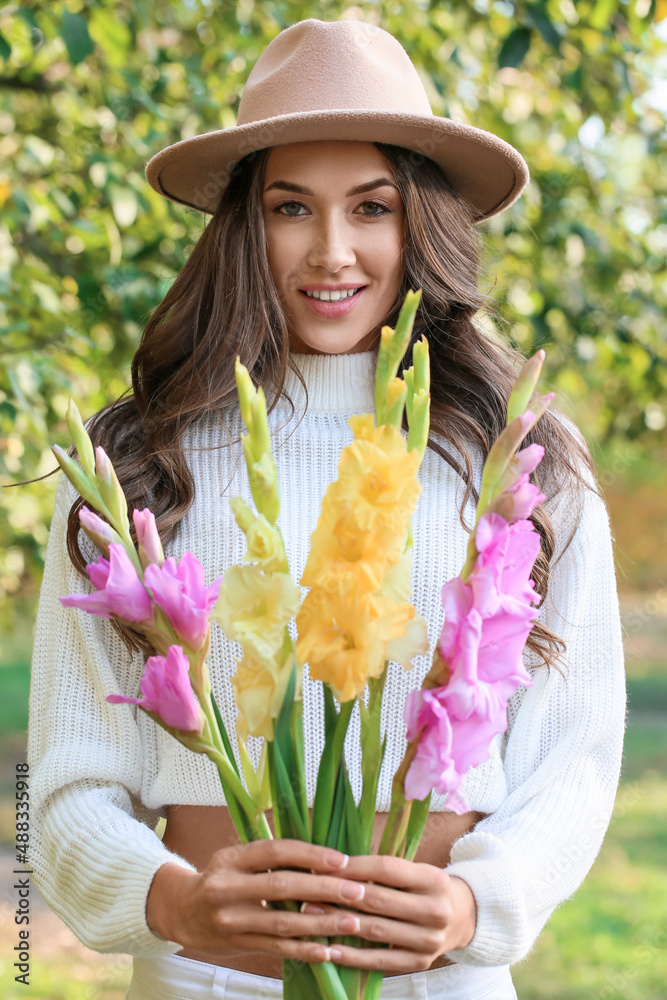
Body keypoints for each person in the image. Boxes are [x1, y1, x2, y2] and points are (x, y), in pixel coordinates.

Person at [27, 17, 626, 1000]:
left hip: (441, 982)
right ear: (240, 224)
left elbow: (574, 751)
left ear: (420, 219)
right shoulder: (142, 461)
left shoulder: (518, 459)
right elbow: (62, 779)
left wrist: (481, 902)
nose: (333, 250)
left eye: (373, 206)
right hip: (198, 980)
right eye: (291, 207)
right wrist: (168, 900)